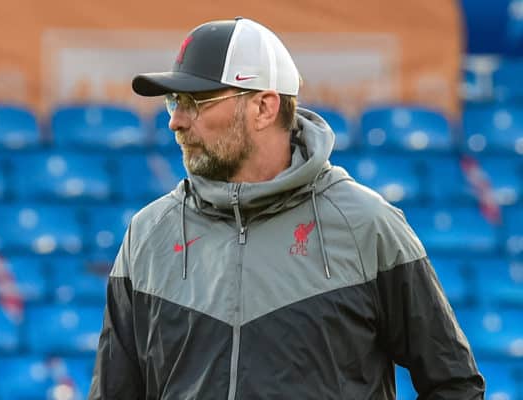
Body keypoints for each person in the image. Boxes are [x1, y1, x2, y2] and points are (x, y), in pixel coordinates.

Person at [89, 17, 485, 399]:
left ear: (264, 107)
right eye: (174, 101)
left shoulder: (367, 224)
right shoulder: (148, 234)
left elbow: (454, 384)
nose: (176, 121)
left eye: (197, 101)